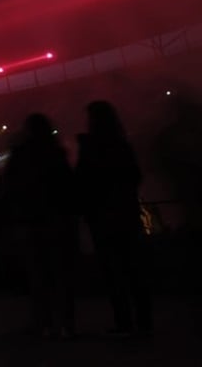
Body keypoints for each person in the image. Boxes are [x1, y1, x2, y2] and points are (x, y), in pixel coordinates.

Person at [77, 100, 153, 336]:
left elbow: (83, 182)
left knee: (114, 273)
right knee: (134, 271)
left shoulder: (90, 147)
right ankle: (144, 321)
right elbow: (134, 176)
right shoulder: (122, 145)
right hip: (126, 215)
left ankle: (124, 322)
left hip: (103, 218)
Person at [4, 114, 78, 339]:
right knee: (59, 275)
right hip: (56, 221)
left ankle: (41, 322)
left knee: (38, 277)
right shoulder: (56, 153)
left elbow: (10, 187)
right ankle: (65, 324)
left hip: (30, 222)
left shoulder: (20, 155)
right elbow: (68, 187)